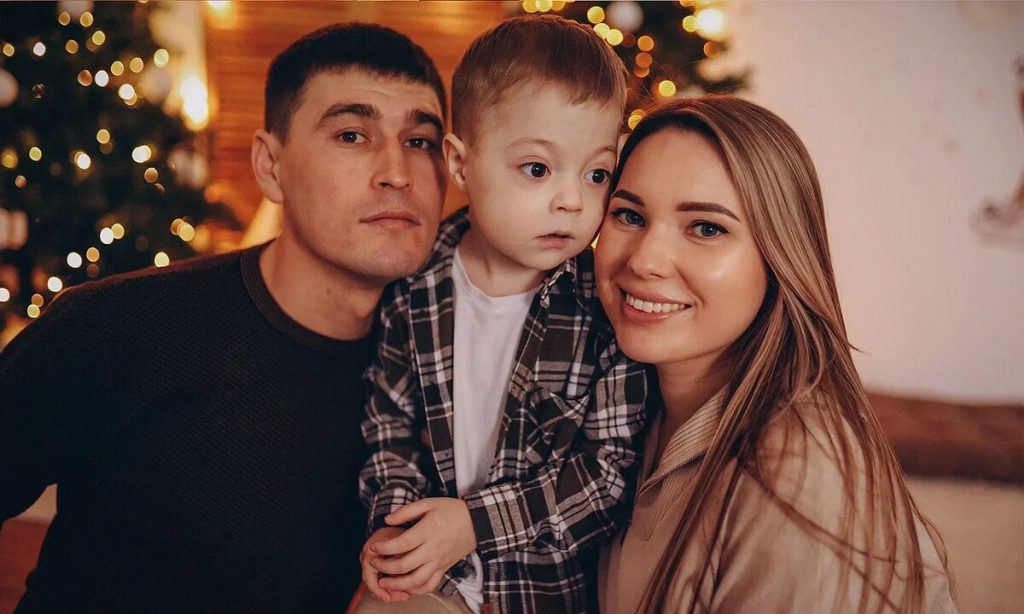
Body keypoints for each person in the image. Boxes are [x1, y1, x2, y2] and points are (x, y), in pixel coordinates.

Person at [0, 23, 447, 612]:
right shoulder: (118, 325)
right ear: (270, 166)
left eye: (421, 141)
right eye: (351, 134)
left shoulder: (438, 370)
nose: (397, 171)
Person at [596, 97, 957, 614]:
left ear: (780, 256)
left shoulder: (797, 476)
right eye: (629, 215)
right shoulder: (619, 404)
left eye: (706, 228)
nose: (645, 260)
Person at [356, 15, 647, 614]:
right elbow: (390, 425)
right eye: (537, 169)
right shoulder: (414, 287)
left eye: (597, 174)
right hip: (436, 582)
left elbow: (608, 474)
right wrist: (397, 526)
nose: (572, 200)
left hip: (545, 593)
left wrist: (475, 523)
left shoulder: (604, 306)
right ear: (461, 164)